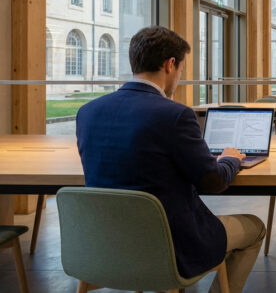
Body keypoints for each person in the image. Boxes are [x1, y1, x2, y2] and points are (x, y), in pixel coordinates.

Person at [76, 26, 264, 293]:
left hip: (105, 245)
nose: (179, 77)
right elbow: (214, 182)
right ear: (170, 64)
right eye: (181, 70)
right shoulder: (175, 115)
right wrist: (229, 159)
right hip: (171, 247)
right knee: (255, 228)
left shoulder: (87, 112)